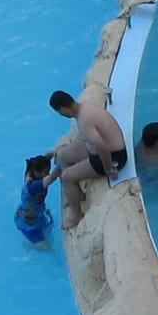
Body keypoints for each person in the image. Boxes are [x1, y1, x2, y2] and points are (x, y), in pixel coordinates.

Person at [48, 89, 127, 231]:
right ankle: (78, 195)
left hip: (113, 156)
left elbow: (102, 146)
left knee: (66, 177)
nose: (61, 115)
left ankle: (76, 215)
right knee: (63, 156)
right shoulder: (84, 108)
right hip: (102, 149)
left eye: (59, 112)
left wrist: (109, 169)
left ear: (63, 109)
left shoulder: (84, 120)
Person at [15, 154, 54, 246]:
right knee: (45, 247)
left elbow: (46, 157)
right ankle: (29, 246)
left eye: (49, 171)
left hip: (36, 213)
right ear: (37, 172)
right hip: (27, 223)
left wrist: (55, 152)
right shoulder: (32, 186)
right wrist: (61, 167)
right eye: (45, 172)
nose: (48, 174)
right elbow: (51, 178)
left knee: (48, 231)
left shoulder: (34, 170)